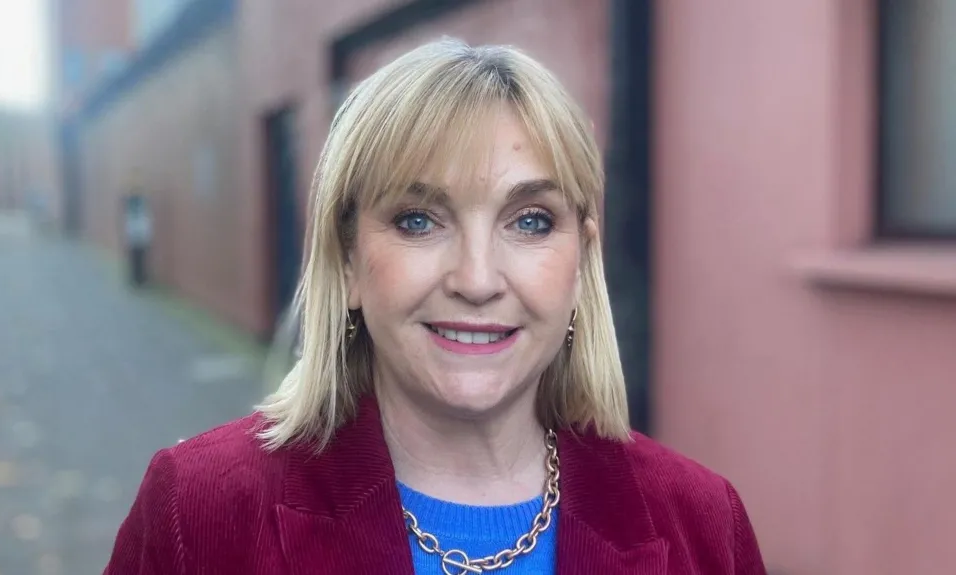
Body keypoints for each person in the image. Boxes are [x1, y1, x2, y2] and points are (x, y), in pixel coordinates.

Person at [104, 39, 767, 574]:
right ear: (349, 258)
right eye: (419, 219)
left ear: (579, 260)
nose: (477, 279)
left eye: (530, 220)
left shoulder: (702, 523)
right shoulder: (200, 512)